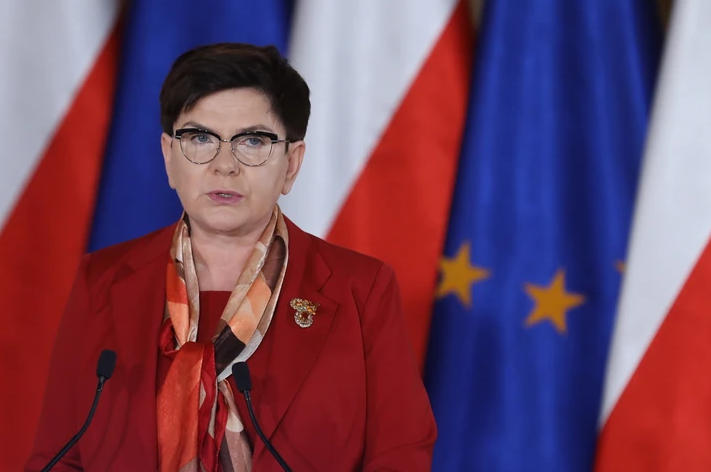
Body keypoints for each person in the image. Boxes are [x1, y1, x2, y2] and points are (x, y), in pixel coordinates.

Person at [24, 43, 436, 471]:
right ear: (168, 156)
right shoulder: (102, 282)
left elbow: (400, 455)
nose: (225, 165)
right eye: (200, 139)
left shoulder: (360, 290)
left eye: (252, 141)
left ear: (292, 163)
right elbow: (58, 457)